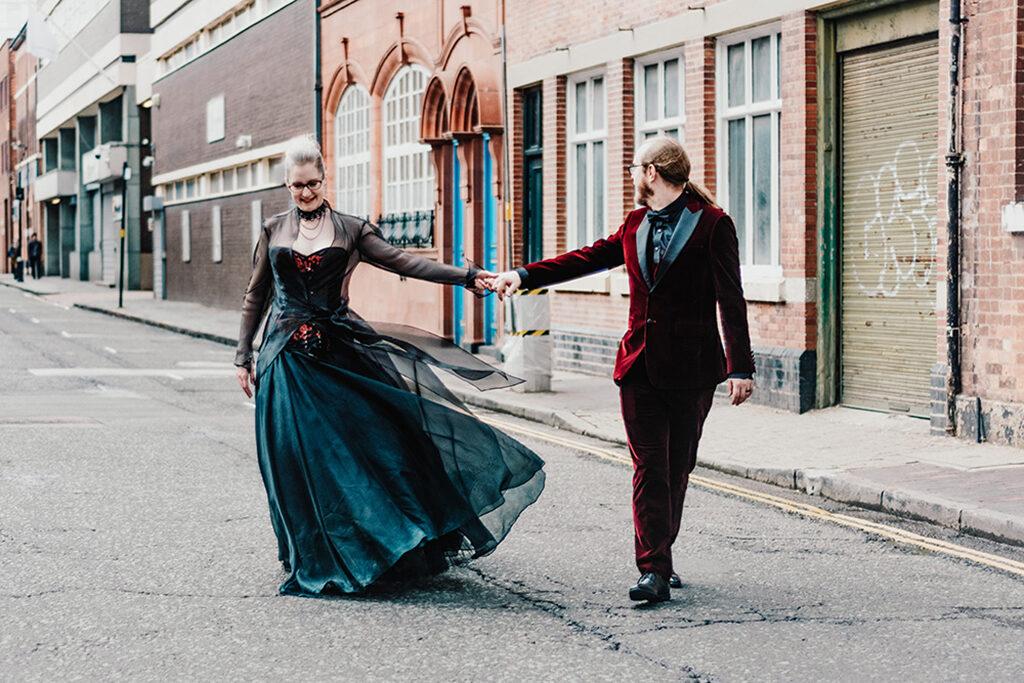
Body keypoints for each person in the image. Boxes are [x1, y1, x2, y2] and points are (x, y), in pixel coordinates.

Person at [234, 135, 545, 597]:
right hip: (284, 360)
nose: (305, 193)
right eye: (297, 186)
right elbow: (256, 294)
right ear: (286, 184)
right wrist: (244, 356)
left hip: (339, 354)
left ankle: (383, 543)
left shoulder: (352, 230)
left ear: (325, 179)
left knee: (368, 452)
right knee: (294, 461)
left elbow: (407, 263)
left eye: (313, 184)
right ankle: (312, 551)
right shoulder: (272, 229)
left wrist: (467, 277)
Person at [488, 136, 754, 603]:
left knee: (677, 467)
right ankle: (652, 569)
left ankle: (661, 551)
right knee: (649, 466)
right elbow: (586, 258)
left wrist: (740, 367)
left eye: (634, 167)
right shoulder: (634, 224)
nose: (630, 175)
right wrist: (523, 276)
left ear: (652, 172)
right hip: (639, 367)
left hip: (692, 370)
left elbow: (731, 299)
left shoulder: (713, 224)